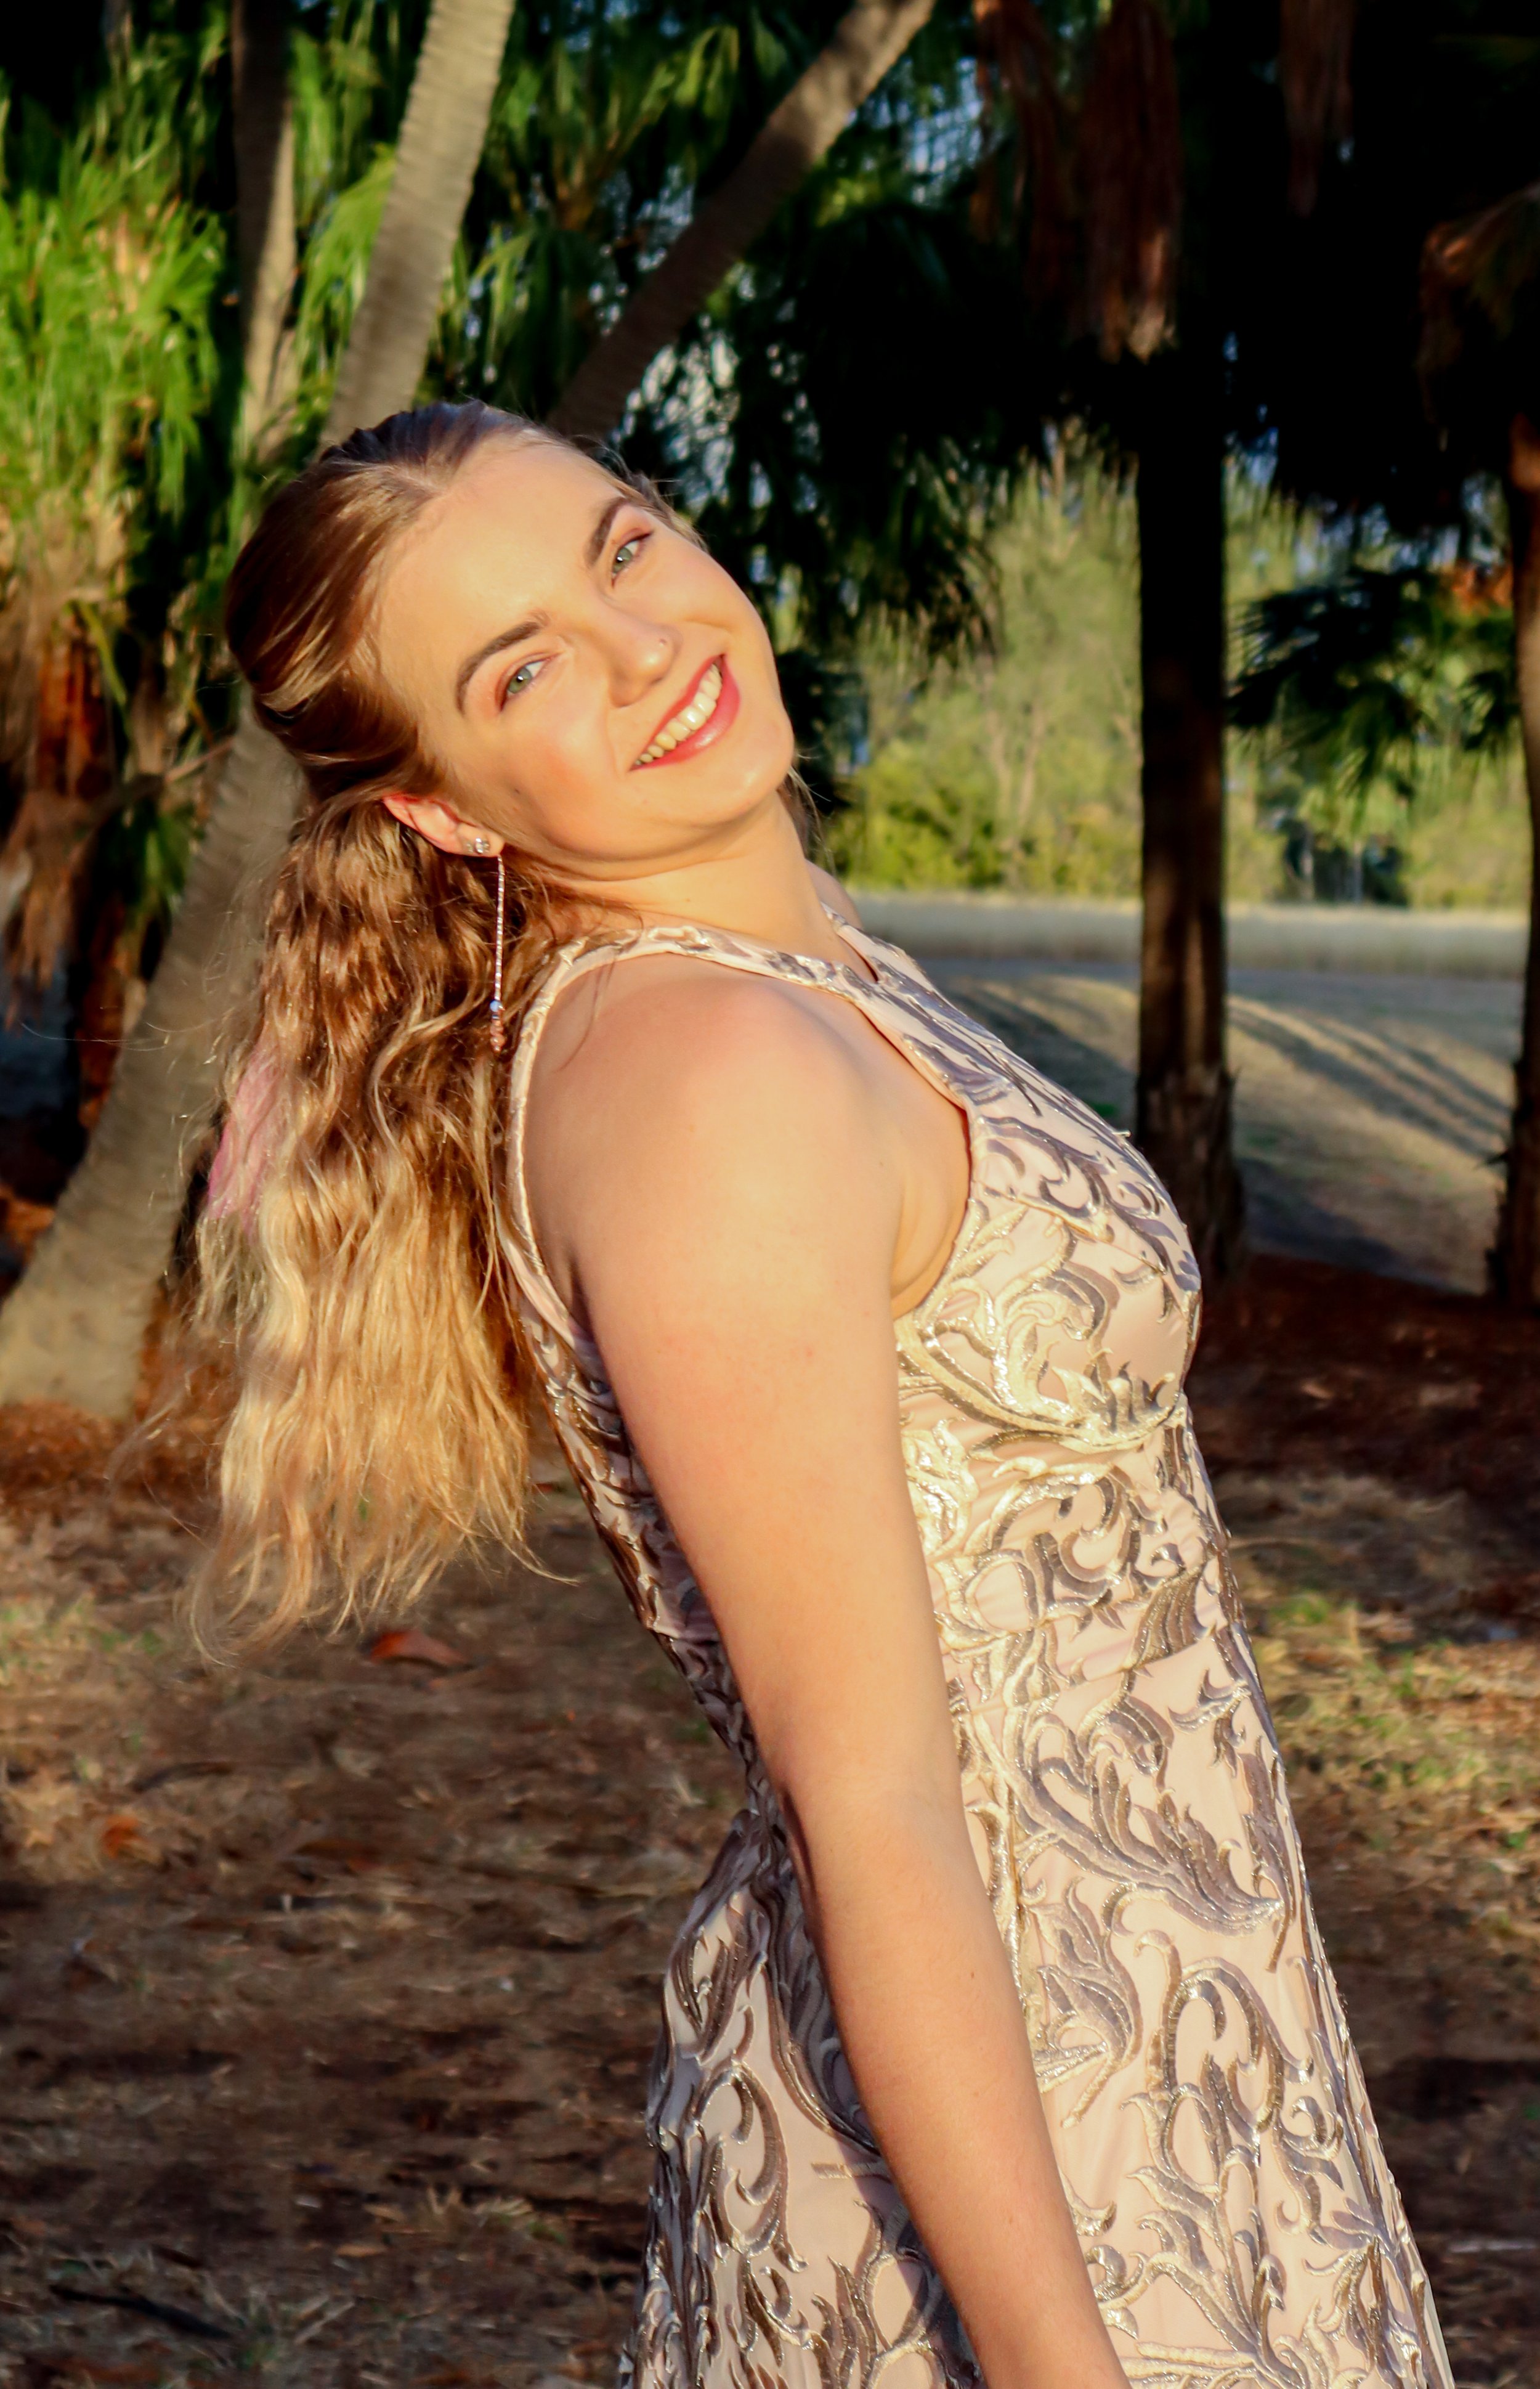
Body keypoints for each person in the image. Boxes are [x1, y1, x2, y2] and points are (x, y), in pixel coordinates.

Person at [197, 400, 1451, 2389]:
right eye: (519, 667)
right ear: (441, 807)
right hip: (1024, 2128)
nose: (642, 649)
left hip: (1169, 2014)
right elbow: (866, 1789)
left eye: (620, 549)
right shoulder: (709, 1077)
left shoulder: (792, 972)